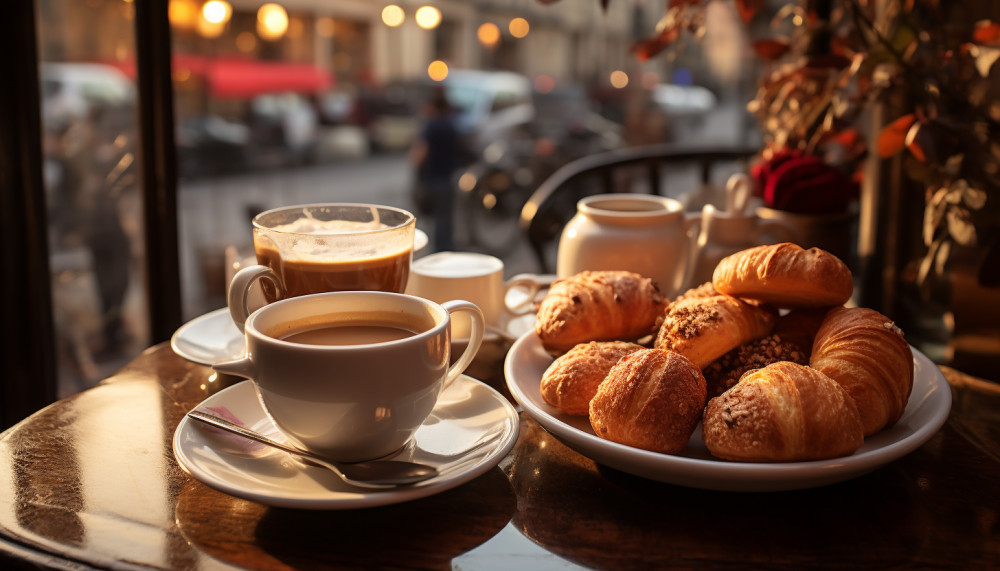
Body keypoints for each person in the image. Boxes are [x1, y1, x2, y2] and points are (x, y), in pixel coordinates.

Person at [410, 86, 460, 252]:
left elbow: (421, 153)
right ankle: (447, 247)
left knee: (437, 217)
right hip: (448, 176)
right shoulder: (450, 124)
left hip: (433, 177)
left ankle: (440, 250)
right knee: (445, 216)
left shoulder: (431, 126)